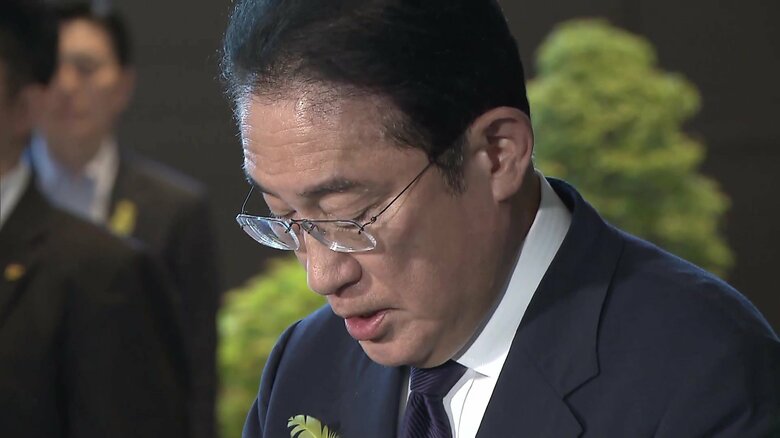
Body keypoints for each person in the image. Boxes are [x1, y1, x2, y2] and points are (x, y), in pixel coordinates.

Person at [221, 0, 780, 437]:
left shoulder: (704, 376)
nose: (322, 276)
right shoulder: (305, 365)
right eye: (284, 217)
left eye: (350, 216)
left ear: (498, 153)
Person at [31, 4, 221, 437]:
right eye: (52, 68)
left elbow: (196, 373)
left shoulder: (175, 211)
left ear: (123, 85)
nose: (66, 85)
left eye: (85, 68)